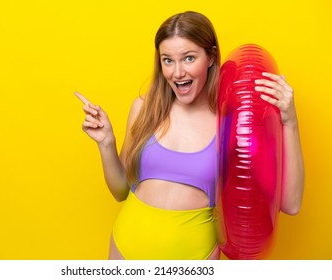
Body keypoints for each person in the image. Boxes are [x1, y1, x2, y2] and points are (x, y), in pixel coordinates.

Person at [75, 11, 304, 260]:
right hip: (125, 248)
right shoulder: (144, 108)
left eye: (189, 58)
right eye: (168, 60)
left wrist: (289, 122)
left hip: (194, 257)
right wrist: (106, 143)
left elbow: (291, 204)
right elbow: (120, 190)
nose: (177, 72)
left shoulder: (230, 125)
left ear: (211, 57)